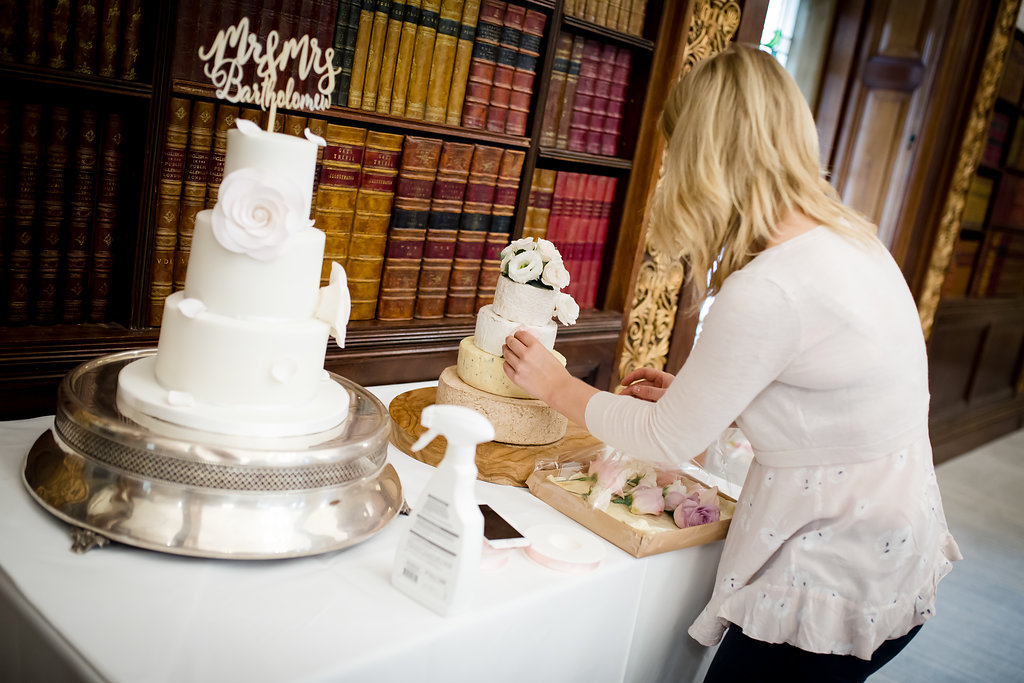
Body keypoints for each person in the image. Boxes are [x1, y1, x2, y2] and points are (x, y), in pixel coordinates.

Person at [502, 43, 962, 682]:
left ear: (702, 161)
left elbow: (668, 440)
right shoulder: (851, 238)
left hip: (828, 572)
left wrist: (557, 386)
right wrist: (711, 398)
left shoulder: (767, 288)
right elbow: (835, 400)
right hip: (892, 549)